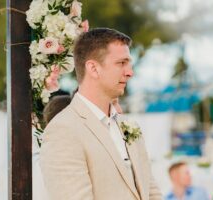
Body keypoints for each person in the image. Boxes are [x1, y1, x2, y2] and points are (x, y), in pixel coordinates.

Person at [40, 28, 162, 200]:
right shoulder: (63, 130)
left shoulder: (128, 125)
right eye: (121, 63)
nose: (130, 72)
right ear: (93, 68)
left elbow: (150, 188)